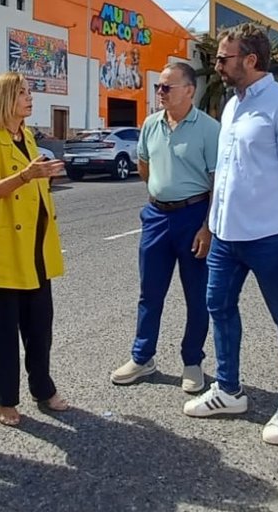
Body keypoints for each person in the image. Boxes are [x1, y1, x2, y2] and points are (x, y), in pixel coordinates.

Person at [183, 22, 278, 447]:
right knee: (218, 305)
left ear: (251, 60)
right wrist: (211, 223)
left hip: (267, 235)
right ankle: (229, 389)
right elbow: (225, 173)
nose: (217, 65)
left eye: (224, 58)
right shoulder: (231, 105)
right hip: (226, 233)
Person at [111, 62, 219, 393]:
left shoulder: (209, 128)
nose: (159, 92)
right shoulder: (151, 124)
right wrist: (162, 192)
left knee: (196, 295)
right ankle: (142, 357)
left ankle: (192, 361)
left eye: (166, 87)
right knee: (150, 292)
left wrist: (207, 227)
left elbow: (218, 182)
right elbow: (144, 165)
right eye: (158, 86)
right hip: (157, 216)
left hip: (195, 215)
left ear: (189, 90)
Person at [0, 72, 68, 426]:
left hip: (36, 249)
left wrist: (43, 175)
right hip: (4, 250)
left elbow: (31, 181)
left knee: (40, 327)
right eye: (22, 93)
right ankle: (4, 398)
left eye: (28, 92)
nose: (30, 98)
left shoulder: (25, 135)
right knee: (4, 330)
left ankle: (43, 387)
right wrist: (26, 176)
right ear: (3, 100)